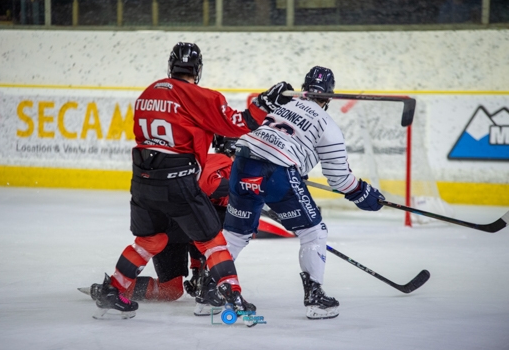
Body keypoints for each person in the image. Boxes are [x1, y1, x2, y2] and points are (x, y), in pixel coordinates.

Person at [92, 41, 293, 319]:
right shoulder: (201, 97)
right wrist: (264, 104)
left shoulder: (148, 92)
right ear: (197, 69)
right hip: (178, 181)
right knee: (213, 241)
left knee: (149, 240)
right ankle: (232, 295)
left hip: (142, 180)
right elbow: (238, 122)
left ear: (170, 65)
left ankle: (113, 288)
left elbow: (168, 129)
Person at [222, 66, 386, 320]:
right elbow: (339, 178)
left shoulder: (281, 109)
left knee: (235, 234)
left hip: (242, 164)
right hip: (276, 172)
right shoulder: (326, 124)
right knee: (313, 232)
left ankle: (207, 292)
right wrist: (364, 194)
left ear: (304, 89)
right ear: (329, 96)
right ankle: (315, 298)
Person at [82, 136, 238, 316]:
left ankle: (112, 289)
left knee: (171, 290)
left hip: (179, 224)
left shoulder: (232, 168)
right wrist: (239, 188)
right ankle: (112, 289)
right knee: (216, 226)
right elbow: (204, 186)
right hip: (173, 221)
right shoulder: (221, 161)